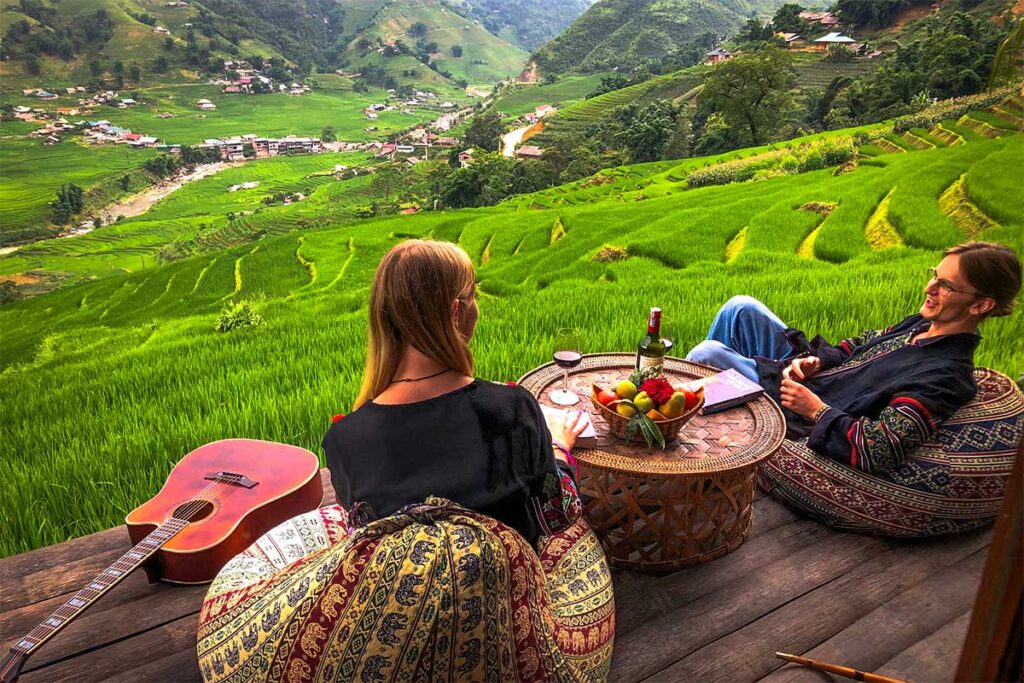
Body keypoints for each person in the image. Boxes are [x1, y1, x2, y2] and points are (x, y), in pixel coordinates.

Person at [322, 239, 588, 545]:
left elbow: (367, 536)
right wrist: (559, 448)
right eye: (473, 295)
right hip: (509, 588)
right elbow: (559, 515)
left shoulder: (344, 440)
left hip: (411, 593)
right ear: (456, 312)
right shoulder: (513, 410)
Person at [687, 241, 1021, 475]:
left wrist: (814, 408)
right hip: (815, 377)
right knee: (740, 306)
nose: (929, 288)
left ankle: (699, 431)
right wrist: (818, 360)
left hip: (804, 405)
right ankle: (717, 409)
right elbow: (861, 342)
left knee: (706, 354)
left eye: (946, 286)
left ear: (981, 305)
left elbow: (880, 448)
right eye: (935, 274)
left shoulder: (945, 376)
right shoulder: (923, 324)